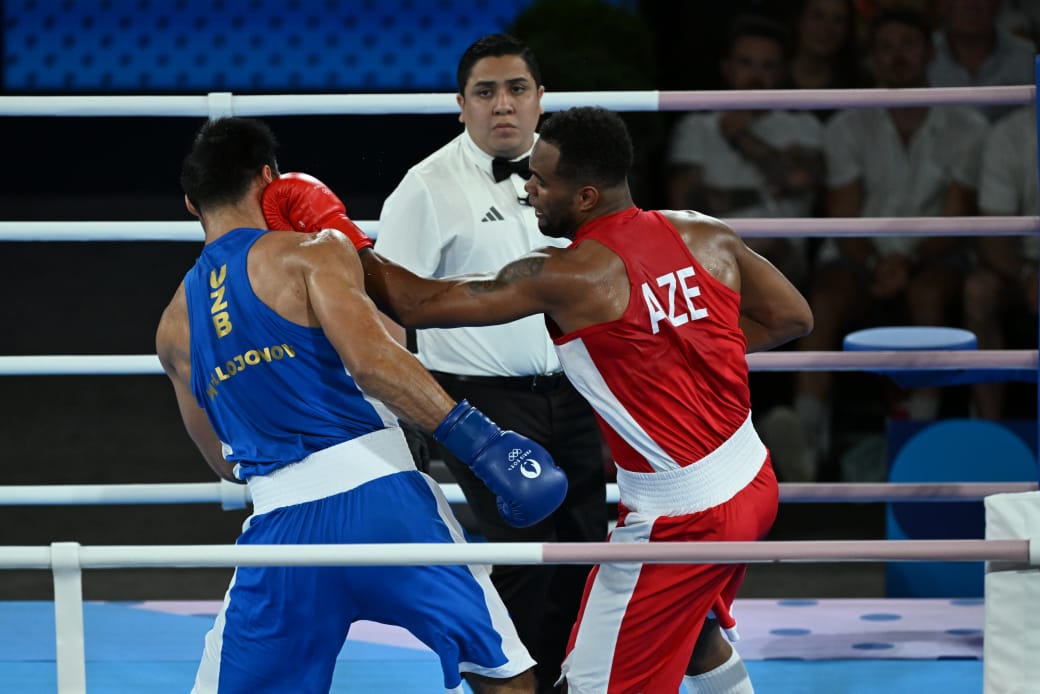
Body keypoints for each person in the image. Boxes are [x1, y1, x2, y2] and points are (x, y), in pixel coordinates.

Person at [264, 107, 813, 693]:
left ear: (585, 196)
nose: (528, 189)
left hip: (682, 520)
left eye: (543, 180)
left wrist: (338, 233)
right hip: (750, 479)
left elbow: (416, 304)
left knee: (589, 684)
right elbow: (791, 316)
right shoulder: (705, 232)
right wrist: (684, 348)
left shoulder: (565, 276)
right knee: (695, 634)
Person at [156, 116, 572, 694]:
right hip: (385, 504)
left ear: (189, 204)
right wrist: (485, 444)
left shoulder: (172, 329)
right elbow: (379, 357)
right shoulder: (310, 251)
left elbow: (225, 463)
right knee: (503, 676)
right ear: (269, 177)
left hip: (280, 533)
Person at [372, 33, 607, 693]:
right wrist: (402, 413)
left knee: (589, 544)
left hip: (582, 389)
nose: (503, 105)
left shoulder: (574, 181)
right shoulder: (425, 188)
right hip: (482, 400)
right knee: (524, 553)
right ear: (461, 104)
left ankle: (574, 681)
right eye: (486, 91)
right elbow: (389, 305)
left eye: (516, 89)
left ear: (540, 99)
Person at [791, 7, 989, 480]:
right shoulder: (847, 124)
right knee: (825, 296)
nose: (897, 56)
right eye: (885, 47)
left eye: (908, 44)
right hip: (861, 254)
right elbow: (844, 213)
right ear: (872, 58)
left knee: (929, 292)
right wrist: (881, 262)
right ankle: (802, 435)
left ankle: (919, 432)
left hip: (938, 252)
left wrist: (911, 259)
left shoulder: (969, 123)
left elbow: (957, 212)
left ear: (930, 51)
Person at [962, 104, 1039, 419]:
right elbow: (992, 237)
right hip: (1021, 267)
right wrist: (1026, 274)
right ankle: (989, 424)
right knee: (978, 291)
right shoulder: (1009, 134)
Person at [927, 0, 1035, 122]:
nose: (972, 5)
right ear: (942, 5)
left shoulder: (1028, 58)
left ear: (998, 4)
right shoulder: (918, 55)